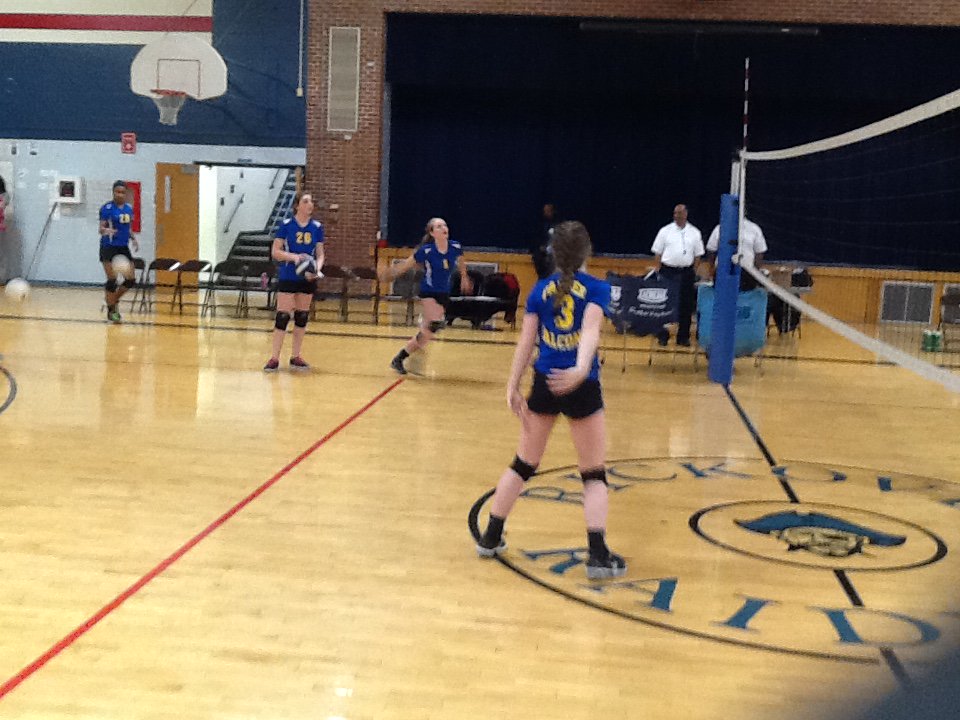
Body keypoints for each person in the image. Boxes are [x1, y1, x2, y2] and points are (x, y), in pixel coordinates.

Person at [476, 220, 626, 579]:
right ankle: (598, 557)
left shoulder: (539, 291)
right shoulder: (596, 289)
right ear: (587, 253)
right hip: (579, 384)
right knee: (593, 473)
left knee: (524, 463)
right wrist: (579, 369)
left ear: (553, 254)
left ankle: (490, 535)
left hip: (544, 382)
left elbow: (526, 343)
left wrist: (512, 385)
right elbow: (590, 330)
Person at [380, 217, 472, 375]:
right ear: (432, 232)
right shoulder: (426, 251)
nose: (444, 228)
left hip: (444, 292)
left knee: (426, 334)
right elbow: (405, 266)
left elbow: (461, 263)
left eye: (444, 225)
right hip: (428, 291)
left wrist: (464, 277)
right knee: (435, 323)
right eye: (438, 226)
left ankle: (402, 359)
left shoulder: (455, 247)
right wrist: (390, 274)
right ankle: (404, 356)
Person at [263, 191, 325, 372]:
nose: (310, 204)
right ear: (297, 205)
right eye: (306, 201)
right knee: (283, 316)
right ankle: (274, 357)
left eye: (311, 201)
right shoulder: (286, 225)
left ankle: (296, 355)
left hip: (307, 278)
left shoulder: (317, 227)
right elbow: (275, 251)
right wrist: (296, 258)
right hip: (289, 275)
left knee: (302, 316)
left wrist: (316, 269)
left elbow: (320, 254)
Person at [651, 203, 704, 347]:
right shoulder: (665, 231)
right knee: (665, 305)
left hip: (686, 272)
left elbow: (699, 254)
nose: (677, 216)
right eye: (675, 213)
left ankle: (683, 337)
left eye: (680, 213)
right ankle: (663, 335)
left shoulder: (695, 232)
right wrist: (659, 270)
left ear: (686, 214)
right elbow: (657, 252)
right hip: (668, 272)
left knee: (686, 306)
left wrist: (693, 270)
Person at [98, 181, 139, 323]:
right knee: (112, 280)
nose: (120, 194)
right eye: (117, 192)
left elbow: (127, 228)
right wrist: (107, 230)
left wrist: (133, 238)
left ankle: (112, 300)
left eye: (122, 192)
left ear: (126, 193)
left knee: (131, 280)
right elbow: (101, 229)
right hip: (108, 247)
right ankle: (112, 311)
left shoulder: (128, 208)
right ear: (113, 192)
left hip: (123, 247)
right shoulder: (107, 208)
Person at [705, 217, 767, 290]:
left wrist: (755, 273)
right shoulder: (720, 228)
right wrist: (712, 270)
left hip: (747, 272)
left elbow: (759, 252)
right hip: (724, 271)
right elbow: (711, 250)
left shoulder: (754, 229)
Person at [529, 202, 556, 280]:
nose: (546, 213)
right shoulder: (540, 224)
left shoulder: (558, 224)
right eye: (545, 211)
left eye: (548, 211)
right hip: (542, 251)